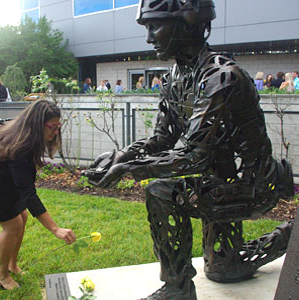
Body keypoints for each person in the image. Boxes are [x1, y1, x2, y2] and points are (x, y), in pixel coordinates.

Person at [85, 1, 293, 299]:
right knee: (225, 270)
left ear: (188, 23)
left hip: (250, 185)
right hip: (219, 179)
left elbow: (192, 155)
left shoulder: (222, 77)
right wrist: (124, 154)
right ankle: (290, 235)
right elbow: (162, 139)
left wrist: (130, 170)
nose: (149, 37)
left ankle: (177, 288)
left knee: (162, 191)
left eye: (155, 25)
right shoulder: (175, 77)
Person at [0, 100, 76, 290]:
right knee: (12, 225)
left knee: (21, 216)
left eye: (58, 126)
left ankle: (11, 265)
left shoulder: (22, 132)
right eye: (52, 127)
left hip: (1, 178)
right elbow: (28, 193)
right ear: (37, 124)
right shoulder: (20, 146)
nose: (56, 132)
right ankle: (1, 274)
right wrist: (56, 229)